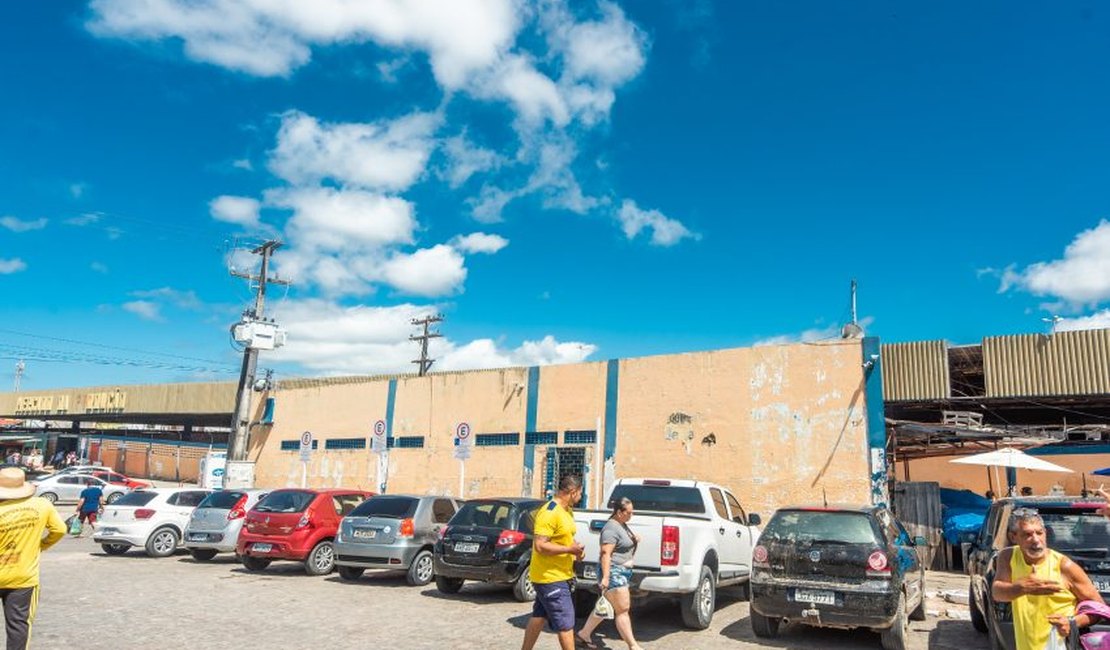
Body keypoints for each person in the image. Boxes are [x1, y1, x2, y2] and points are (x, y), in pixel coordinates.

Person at [992, 508, 1104, 649]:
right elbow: (997, 593)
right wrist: (1020, 588)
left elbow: (1099, 609)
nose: (1036, 540)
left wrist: (1072, 623)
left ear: (1045, 533)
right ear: (1013, 537)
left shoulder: (1064, 566)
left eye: (1039, 533)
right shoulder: (1008, 557)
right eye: (1027, 534)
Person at [0, 467, 66, 649]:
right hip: (24, 578)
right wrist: (41, 546)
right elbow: (60, 530)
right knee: (19, 624)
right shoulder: (42, 505)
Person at [521, 474, 585, 650]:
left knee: (539, 616)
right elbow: (540, 545)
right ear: (573, 492)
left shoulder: (567, 511)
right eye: (580, 493)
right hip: (549, 577)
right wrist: (569, 550)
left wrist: (576, 551)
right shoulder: (549, 512)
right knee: (565, 623)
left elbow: (566, 538)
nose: (581, 496)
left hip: (561, 574)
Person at [576, 497, 644, 650]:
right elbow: (605, 554)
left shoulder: (622, 524)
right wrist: (606, 578)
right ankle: (633, 645)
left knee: (604, 607)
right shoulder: (611, 528)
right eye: (629, 512)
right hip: (614, 572)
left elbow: (621, 544)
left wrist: (634, 539)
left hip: (621, 571)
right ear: (619, 512)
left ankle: (583, 634)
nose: (631, 515)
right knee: (623, 609)